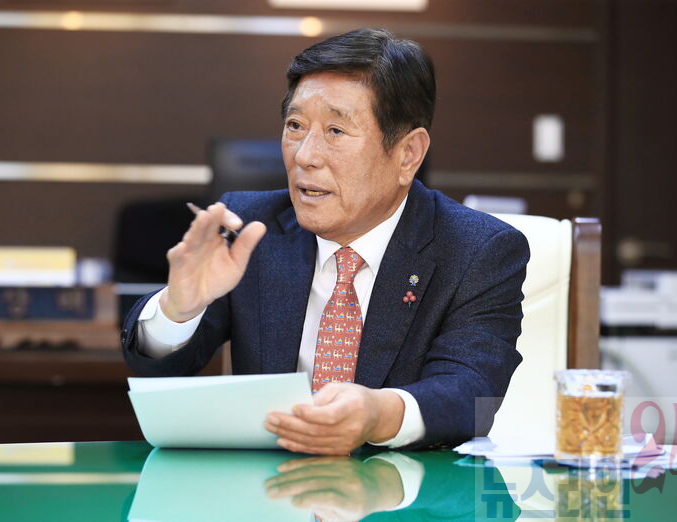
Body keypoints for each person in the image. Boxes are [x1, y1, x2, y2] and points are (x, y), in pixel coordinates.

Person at [122, 28, 529, 455]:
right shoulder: (251, 227)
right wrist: (178, 309)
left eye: (335, 130)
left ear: (408, 154)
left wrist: (378, 414)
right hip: (269, 485)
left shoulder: (478, 250)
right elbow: (158, 372)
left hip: (407, 487)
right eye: (295, 125)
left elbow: (471, 395)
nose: (304, 155)